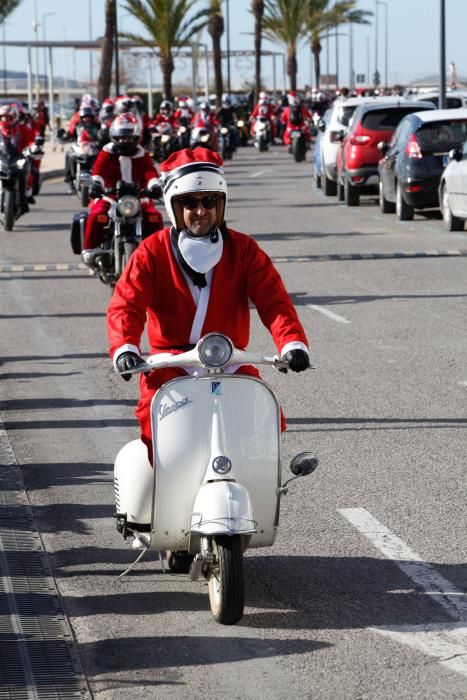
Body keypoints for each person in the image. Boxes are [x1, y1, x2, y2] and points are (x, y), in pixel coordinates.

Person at [107, 147, 310, 463]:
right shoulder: (151, 251)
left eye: (210, 201)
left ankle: (259, 492)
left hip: (230, 361)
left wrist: (292, 343)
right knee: (154, 427)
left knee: (265, 421)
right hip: (170, 365)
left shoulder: (243, 249)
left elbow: (275, 302)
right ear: (174, 207)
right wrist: (126, 348)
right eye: (189, 203)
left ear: (222, 203)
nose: (201, 211)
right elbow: (126, 306)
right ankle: (159, 502)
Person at [81, 113, 163, 254]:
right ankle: (90, 251)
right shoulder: (107, 153)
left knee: (154, 217)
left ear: (136, 137)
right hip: (110, 197)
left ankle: (157, 254)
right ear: (114, 136)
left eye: (129, 137)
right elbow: (98, 171)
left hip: (139, 197)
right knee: (97, 215)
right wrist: (96, 184)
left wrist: (154, 185)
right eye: (122, 137)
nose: (125, 140)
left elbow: (150, 172)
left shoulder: (142, 154)